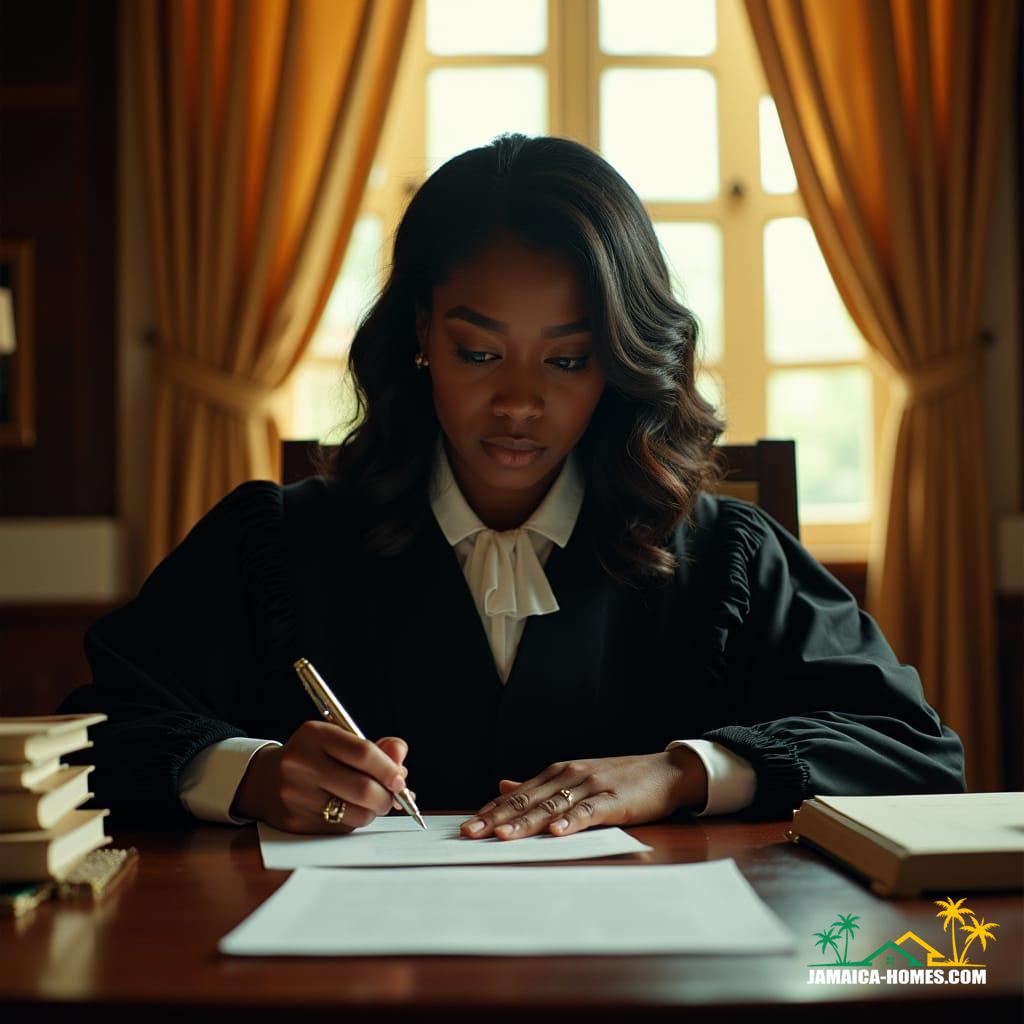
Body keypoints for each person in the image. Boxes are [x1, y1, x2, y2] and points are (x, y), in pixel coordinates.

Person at [58, 133, 965, 838]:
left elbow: (915, 750)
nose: (520, 402)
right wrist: (246, 774)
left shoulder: (723, 556)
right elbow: (87, 739)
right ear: (421, 337)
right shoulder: (278, 545)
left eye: (568, 358)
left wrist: (683, 771)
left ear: (619, 360)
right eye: (479, 351)